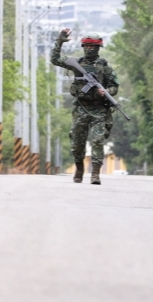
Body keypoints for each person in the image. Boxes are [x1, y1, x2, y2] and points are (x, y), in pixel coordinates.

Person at [50, 30, 119, 185]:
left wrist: (106, 91)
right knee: (77, 142)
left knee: (98, 141)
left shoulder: (105, 68)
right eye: (87, 46)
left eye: (93, 46)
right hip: (81, 108)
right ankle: (79, 168)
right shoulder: (77, 63)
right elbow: (54, 59)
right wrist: (59, 42)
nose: (90, 49)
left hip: (99, 110)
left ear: (99, 48)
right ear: (83, 46)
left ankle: (95, 174)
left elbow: (115, 87)